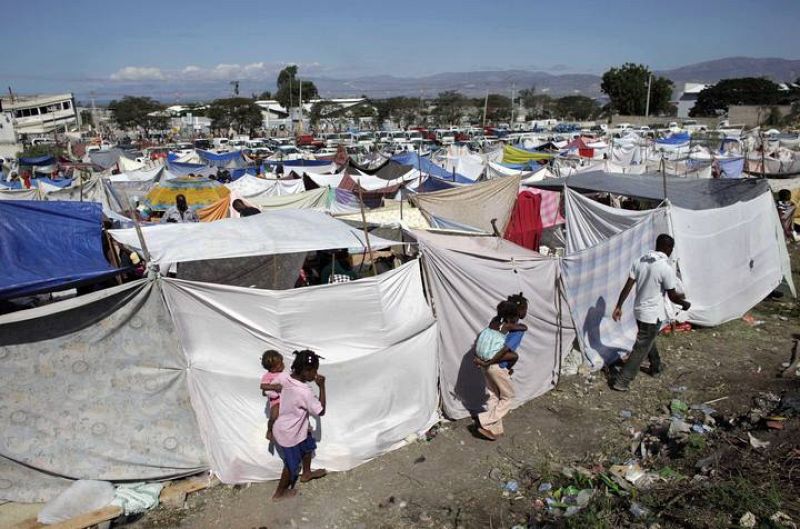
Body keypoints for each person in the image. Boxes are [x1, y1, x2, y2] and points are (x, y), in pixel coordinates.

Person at [611, 234, 691, 391]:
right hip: (652, 314)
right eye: (671, 249)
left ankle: (656, 366)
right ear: (668, 248)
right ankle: (622, 381)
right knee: (641, 347)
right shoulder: (664, 268)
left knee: (648, 339)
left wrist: (619, 306)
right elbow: (672, 295)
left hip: (639, 311)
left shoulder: (640, 261)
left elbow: (628, 286)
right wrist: (684, 303)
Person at [271, 350, 327, 500]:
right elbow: (320, 411)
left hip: (294, 427)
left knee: (307, 447)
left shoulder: (285, 377)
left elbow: (272, 387)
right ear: (305, 371)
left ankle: (306, 473)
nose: (316, 374)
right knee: (291, 465)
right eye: (314, 370)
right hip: (289, 433)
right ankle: (279, 493)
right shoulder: (305, 392)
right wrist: (321, 387)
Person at [473, 300, 527, 441]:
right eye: (516, 316)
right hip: (495, 365)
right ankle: (484, 420)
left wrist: (484, 362)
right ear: (512, 316)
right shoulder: (510, 327)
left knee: (493, 396)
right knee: (508, 397)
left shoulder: (494, 321)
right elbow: (505, 350)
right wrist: (489, 362)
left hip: (484, 364)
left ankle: (494, 430)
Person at [260, 350, 289, 442]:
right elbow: (262, 386)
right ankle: (270, 430)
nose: (283, 365)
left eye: (282, 362)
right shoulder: (268, 376)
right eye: (280, 365)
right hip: (276, 401)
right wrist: (274, 386)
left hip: (286, 399)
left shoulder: (284, 374)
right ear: (272, 369)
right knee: (274, 416)